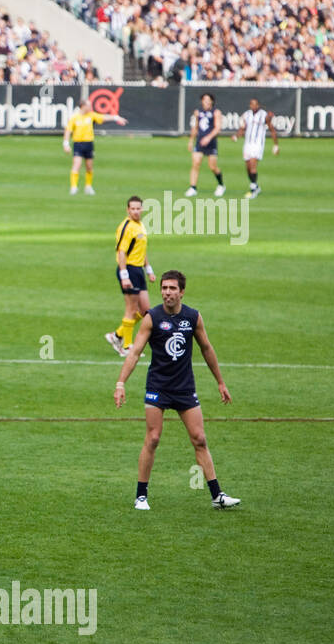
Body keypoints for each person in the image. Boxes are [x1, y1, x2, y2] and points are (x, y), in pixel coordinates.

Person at [113, 271, 240, 511]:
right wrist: (121, 383)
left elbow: (207, 349)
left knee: (200, 439)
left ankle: (217, 495)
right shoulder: (152, 317)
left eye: (172, 288)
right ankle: (141, 496)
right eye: (164, 288)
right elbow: (135, 352)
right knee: (153, 438)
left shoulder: (193, 317)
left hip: (184, 388)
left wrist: (220, 382)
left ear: (181, 292)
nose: (167, 293)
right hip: (158, 387)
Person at [105, 195, 155, 357]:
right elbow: (121, 252)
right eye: (132, 208)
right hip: (129, 270)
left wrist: (149, 269)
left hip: (138, 270)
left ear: (142, 209)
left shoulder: (140, 225)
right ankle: (127, 346)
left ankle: (117, 335)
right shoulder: (126, 226)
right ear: (128, 210)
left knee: (145, 309)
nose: (135, 211)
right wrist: (124, 274)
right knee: (131, 309)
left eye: (138, 208)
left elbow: (142, 250)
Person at [63, 97, 127, 195]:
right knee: (77, 165)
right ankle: (74, 187)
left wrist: (116, 117)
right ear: (83, 106)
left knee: (89, 167)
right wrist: (66, 144)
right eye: (88, 105)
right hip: (78, 144)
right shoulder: (75, 117)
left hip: (89, 144)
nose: (90, 106)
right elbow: (68, 130)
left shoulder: (91, 115)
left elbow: (103, 117)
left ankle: (88, 187)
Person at [232, 97, 279, 198]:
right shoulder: (247, 114)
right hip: (247, 143)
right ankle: (255, 186)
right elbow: (243, 128)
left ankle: (253, 190)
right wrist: (236, 136)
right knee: (248, 167)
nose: (253, 106)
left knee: (253, 165)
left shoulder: (264, 115)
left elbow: (272, 130)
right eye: (251, 104)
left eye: (255, 104)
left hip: (258, 144)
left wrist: (275, 145)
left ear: (258, 105)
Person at [185, 92, 225, 196]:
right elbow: (195, 127)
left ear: (212, 101)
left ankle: (221, 185)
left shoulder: (216, 112)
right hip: (199, 142)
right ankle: (193, 187)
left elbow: (217, 128)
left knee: (212, 166)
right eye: (204, 100)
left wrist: (208, 137)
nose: (206, 102)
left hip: (211, 143)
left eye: (208, 100)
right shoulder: (198, 112)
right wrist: (191, 140)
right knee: (195, 164)